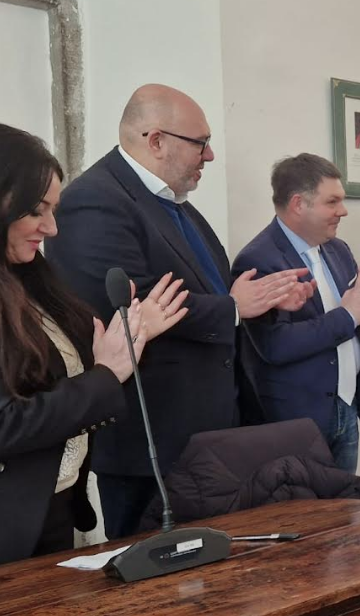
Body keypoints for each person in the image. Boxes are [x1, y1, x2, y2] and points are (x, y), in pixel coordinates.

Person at [45, 84, 312, 539]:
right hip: (150, 441)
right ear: (156, 141)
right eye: (200, 143)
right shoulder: (94, 201)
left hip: (210, 435)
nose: (209, 156)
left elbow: (206, 291)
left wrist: (258, 300)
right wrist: (232, 307)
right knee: (151, 570)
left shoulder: (172, 204)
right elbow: (131, 308)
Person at [0, 124, 187, 564]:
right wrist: (107, 373)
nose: (51, 228)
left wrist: (130, 339)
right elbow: (7, 424)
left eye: (54, 210)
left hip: (52, 507)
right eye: (37, 210)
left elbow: (67, 375)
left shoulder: (29, 277)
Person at [232, 154, 360, 473]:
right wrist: (349, 314)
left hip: (346, 407)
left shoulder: (338, 249)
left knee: (345, 503)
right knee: (303, 507)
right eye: (332, 201)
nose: (343, 211)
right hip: (297, 420)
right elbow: (275, 346)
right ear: (298, 204)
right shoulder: (258, 260)